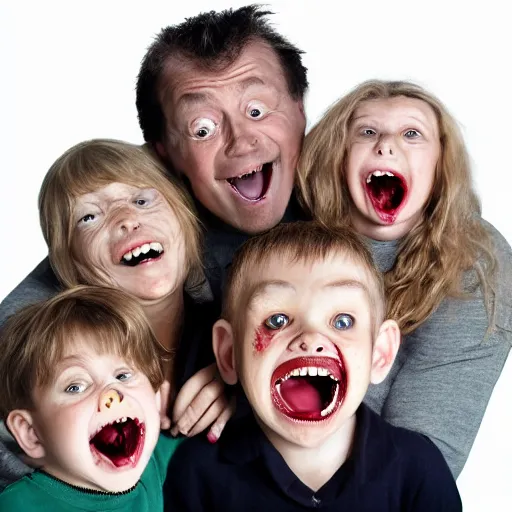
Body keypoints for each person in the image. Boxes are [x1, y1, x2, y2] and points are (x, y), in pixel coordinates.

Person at [0, 5, 308, 321]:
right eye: (202, 129)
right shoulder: (157, 219)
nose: (241, 142)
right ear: (162, 155)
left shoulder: (351, 178)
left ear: (299, 108)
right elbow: (34, 308)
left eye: (256, 111)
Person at [164, 222, 462, 511]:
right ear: (229, 354)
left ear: (380, 353)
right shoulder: (196, 475)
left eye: (342, 321)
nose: (311, 338)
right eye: (277, 320)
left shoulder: (419, 472)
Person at [296, 79, 512, 477]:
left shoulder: (475, 262)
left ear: (439, 164)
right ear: (339, 157)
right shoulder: (289, 235)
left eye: (412, 133)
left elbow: (422, 460)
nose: (386, 144)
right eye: (367, 132)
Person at [0, 139, 230, 487]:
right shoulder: (32, 352)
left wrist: (250, 375)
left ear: (183, 215)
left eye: (141, 200)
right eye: (89, 217)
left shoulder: (230, 302)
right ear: (67, 265)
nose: (126, 219)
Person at [0, 286, 182, 511]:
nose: (111, 397)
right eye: (75, 387)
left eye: (123, 375)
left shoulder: (167, 458)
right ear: (32, 433)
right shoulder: (16, 506)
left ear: (155, 397)